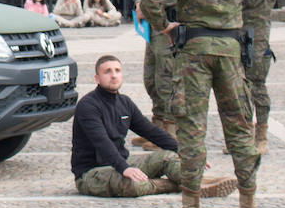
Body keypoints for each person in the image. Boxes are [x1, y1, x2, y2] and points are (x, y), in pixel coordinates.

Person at [138, 0, 258, 208]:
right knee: (239, 127)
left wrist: (165, 27)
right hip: (231, 49)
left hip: (194, 50)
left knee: (192, 128)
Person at [71, 55, 235, 199]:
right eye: (107, 72)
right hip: (92, 173)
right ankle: (183, 185)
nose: (113, 75)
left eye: (117, 71)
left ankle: (196, 182)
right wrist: (124, 168)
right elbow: (102, 143)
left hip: (122, 163)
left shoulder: (125, 102)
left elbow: (151, 132)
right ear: (97, 78)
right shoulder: (88, 106)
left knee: (167, 157)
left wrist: (186, 152)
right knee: (133, 184)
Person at [130, 0, 182, 148]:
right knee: (151, 78)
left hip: (168, 25)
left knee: (166, 79)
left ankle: (170, 131)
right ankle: (157, 125)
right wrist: (140, 4)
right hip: (152, 25)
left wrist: (147, 6)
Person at [240, 0, 280, 155]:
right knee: (238, 85)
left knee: (256, 84)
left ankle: (261, 134)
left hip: (257, 33)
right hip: (237, 29)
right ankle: (243, 132)